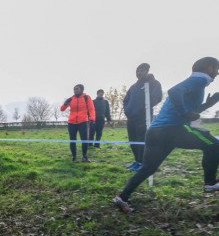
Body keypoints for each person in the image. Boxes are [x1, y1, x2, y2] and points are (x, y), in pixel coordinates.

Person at [113, 57, 219, 214]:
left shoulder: (196, 85)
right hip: (173, 129)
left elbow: (191, 112)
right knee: (213, 144)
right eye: (216, 69)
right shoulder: (199, 79)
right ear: (209, 68)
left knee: (148, 168)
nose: (217, 73)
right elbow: (174, 92)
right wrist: (185, 112)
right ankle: (210, 183)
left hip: (156, 132)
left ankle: (122, 197)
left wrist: (208, 104)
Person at [123, 63, 163, 171]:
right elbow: (126, 100)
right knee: (133, 140)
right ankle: (137, 161)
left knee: (141, 140)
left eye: (141, 70)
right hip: (131, 118)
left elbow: (157, 97)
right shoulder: (133, 87)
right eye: (137, 71)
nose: (139, 73)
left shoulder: (154, 83)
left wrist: (144, 107)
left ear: (147, 71)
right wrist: (127, 111)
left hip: (143, 117)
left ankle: (142, 163)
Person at [60, 84, 95, 162]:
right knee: (72, 140)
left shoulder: (87, 98)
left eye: (77, 89)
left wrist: (92, 118)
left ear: (81, 90)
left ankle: (84, 157)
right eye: (74, 89)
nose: (75, 90)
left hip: (83, 122)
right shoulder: (70, 99)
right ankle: (74, 157)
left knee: (84, 140)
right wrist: (65, 103)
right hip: (71, 122)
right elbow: (62, 109)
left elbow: (91, 109)